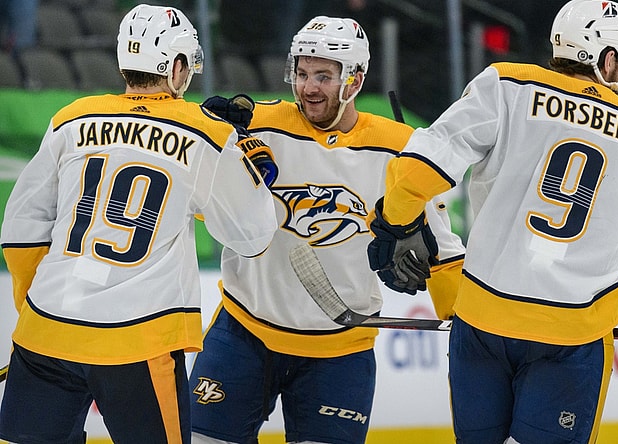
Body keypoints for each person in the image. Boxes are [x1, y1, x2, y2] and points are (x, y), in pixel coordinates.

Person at [367, 1, 618, 443]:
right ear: (607, 59)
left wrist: (396, 222)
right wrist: (596, 311)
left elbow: (421, 167)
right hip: (571, 338)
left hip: (482, 323)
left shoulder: (506, 84)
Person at [0, 4, 278, 443]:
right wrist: (246, 160)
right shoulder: (206, 133)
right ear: (177, 66)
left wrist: (37, 307)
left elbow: (21, 227)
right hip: (139, 341)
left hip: (46, 332)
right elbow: (253, 236)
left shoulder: (72, 118)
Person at [188, 15, 465, 444]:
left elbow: (443, 249)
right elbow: (205, 182)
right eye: (302, 74)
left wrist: (463, 321)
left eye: (323, 76)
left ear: (355, 80)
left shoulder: (399, 148)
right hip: (244, 333)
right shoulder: (255, 126)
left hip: (340, 352)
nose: (308, 87)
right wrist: (212, 128)